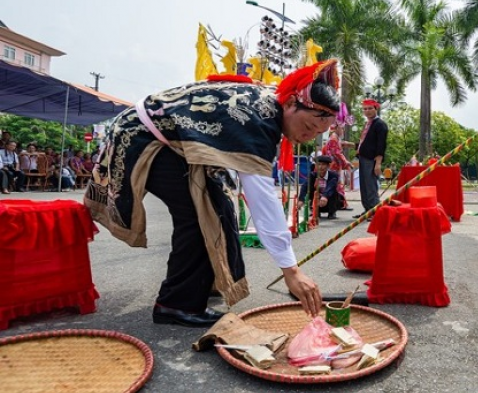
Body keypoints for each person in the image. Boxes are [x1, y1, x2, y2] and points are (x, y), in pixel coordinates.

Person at [85, 60, 341, 327]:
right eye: (310, 126)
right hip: (145, 136)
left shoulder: (268, 107)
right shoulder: (261, 120)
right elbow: (262, 201)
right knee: (199, 215)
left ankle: (199, 285)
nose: (308, 136)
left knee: (218, 207)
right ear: (290, 105)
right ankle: (175, 304)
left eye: (317, 134)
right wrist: (292, 271)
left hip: (169, 141)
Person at [354, 99, 388, 219]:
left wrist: (378, 163)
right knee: (363, 186)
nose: (367, 111)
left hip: (371, 159)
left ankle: (376, 212)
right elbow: (365, 143)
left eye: (370, 108)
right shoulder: (368, 124)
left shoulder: (380, 124)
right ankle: (368, 210)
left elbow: (381, 145)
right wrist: (351, 145)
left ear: (376, 108)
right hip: (363, 158)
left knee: (371, 186)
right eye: (365, 109)